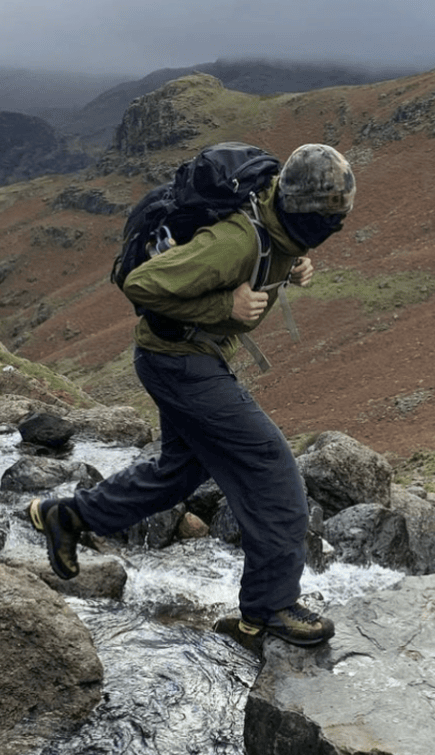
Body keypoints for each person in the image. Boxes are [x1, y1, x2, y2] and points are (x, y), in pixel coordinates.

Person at [29, 142, 356, 647]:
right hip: (179, 363)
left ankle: (69, 515)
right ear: (306, 214)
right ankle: (269, 610)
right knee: (271, 467)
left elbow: (276, 239)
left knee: (179, 472)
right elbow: (143, 284)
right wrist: (225, 306)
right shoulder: (235, 241)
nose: (332, 230)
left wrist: (292, 263)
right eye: (328, 223)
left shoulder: (276, 214)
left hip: (183, 357)